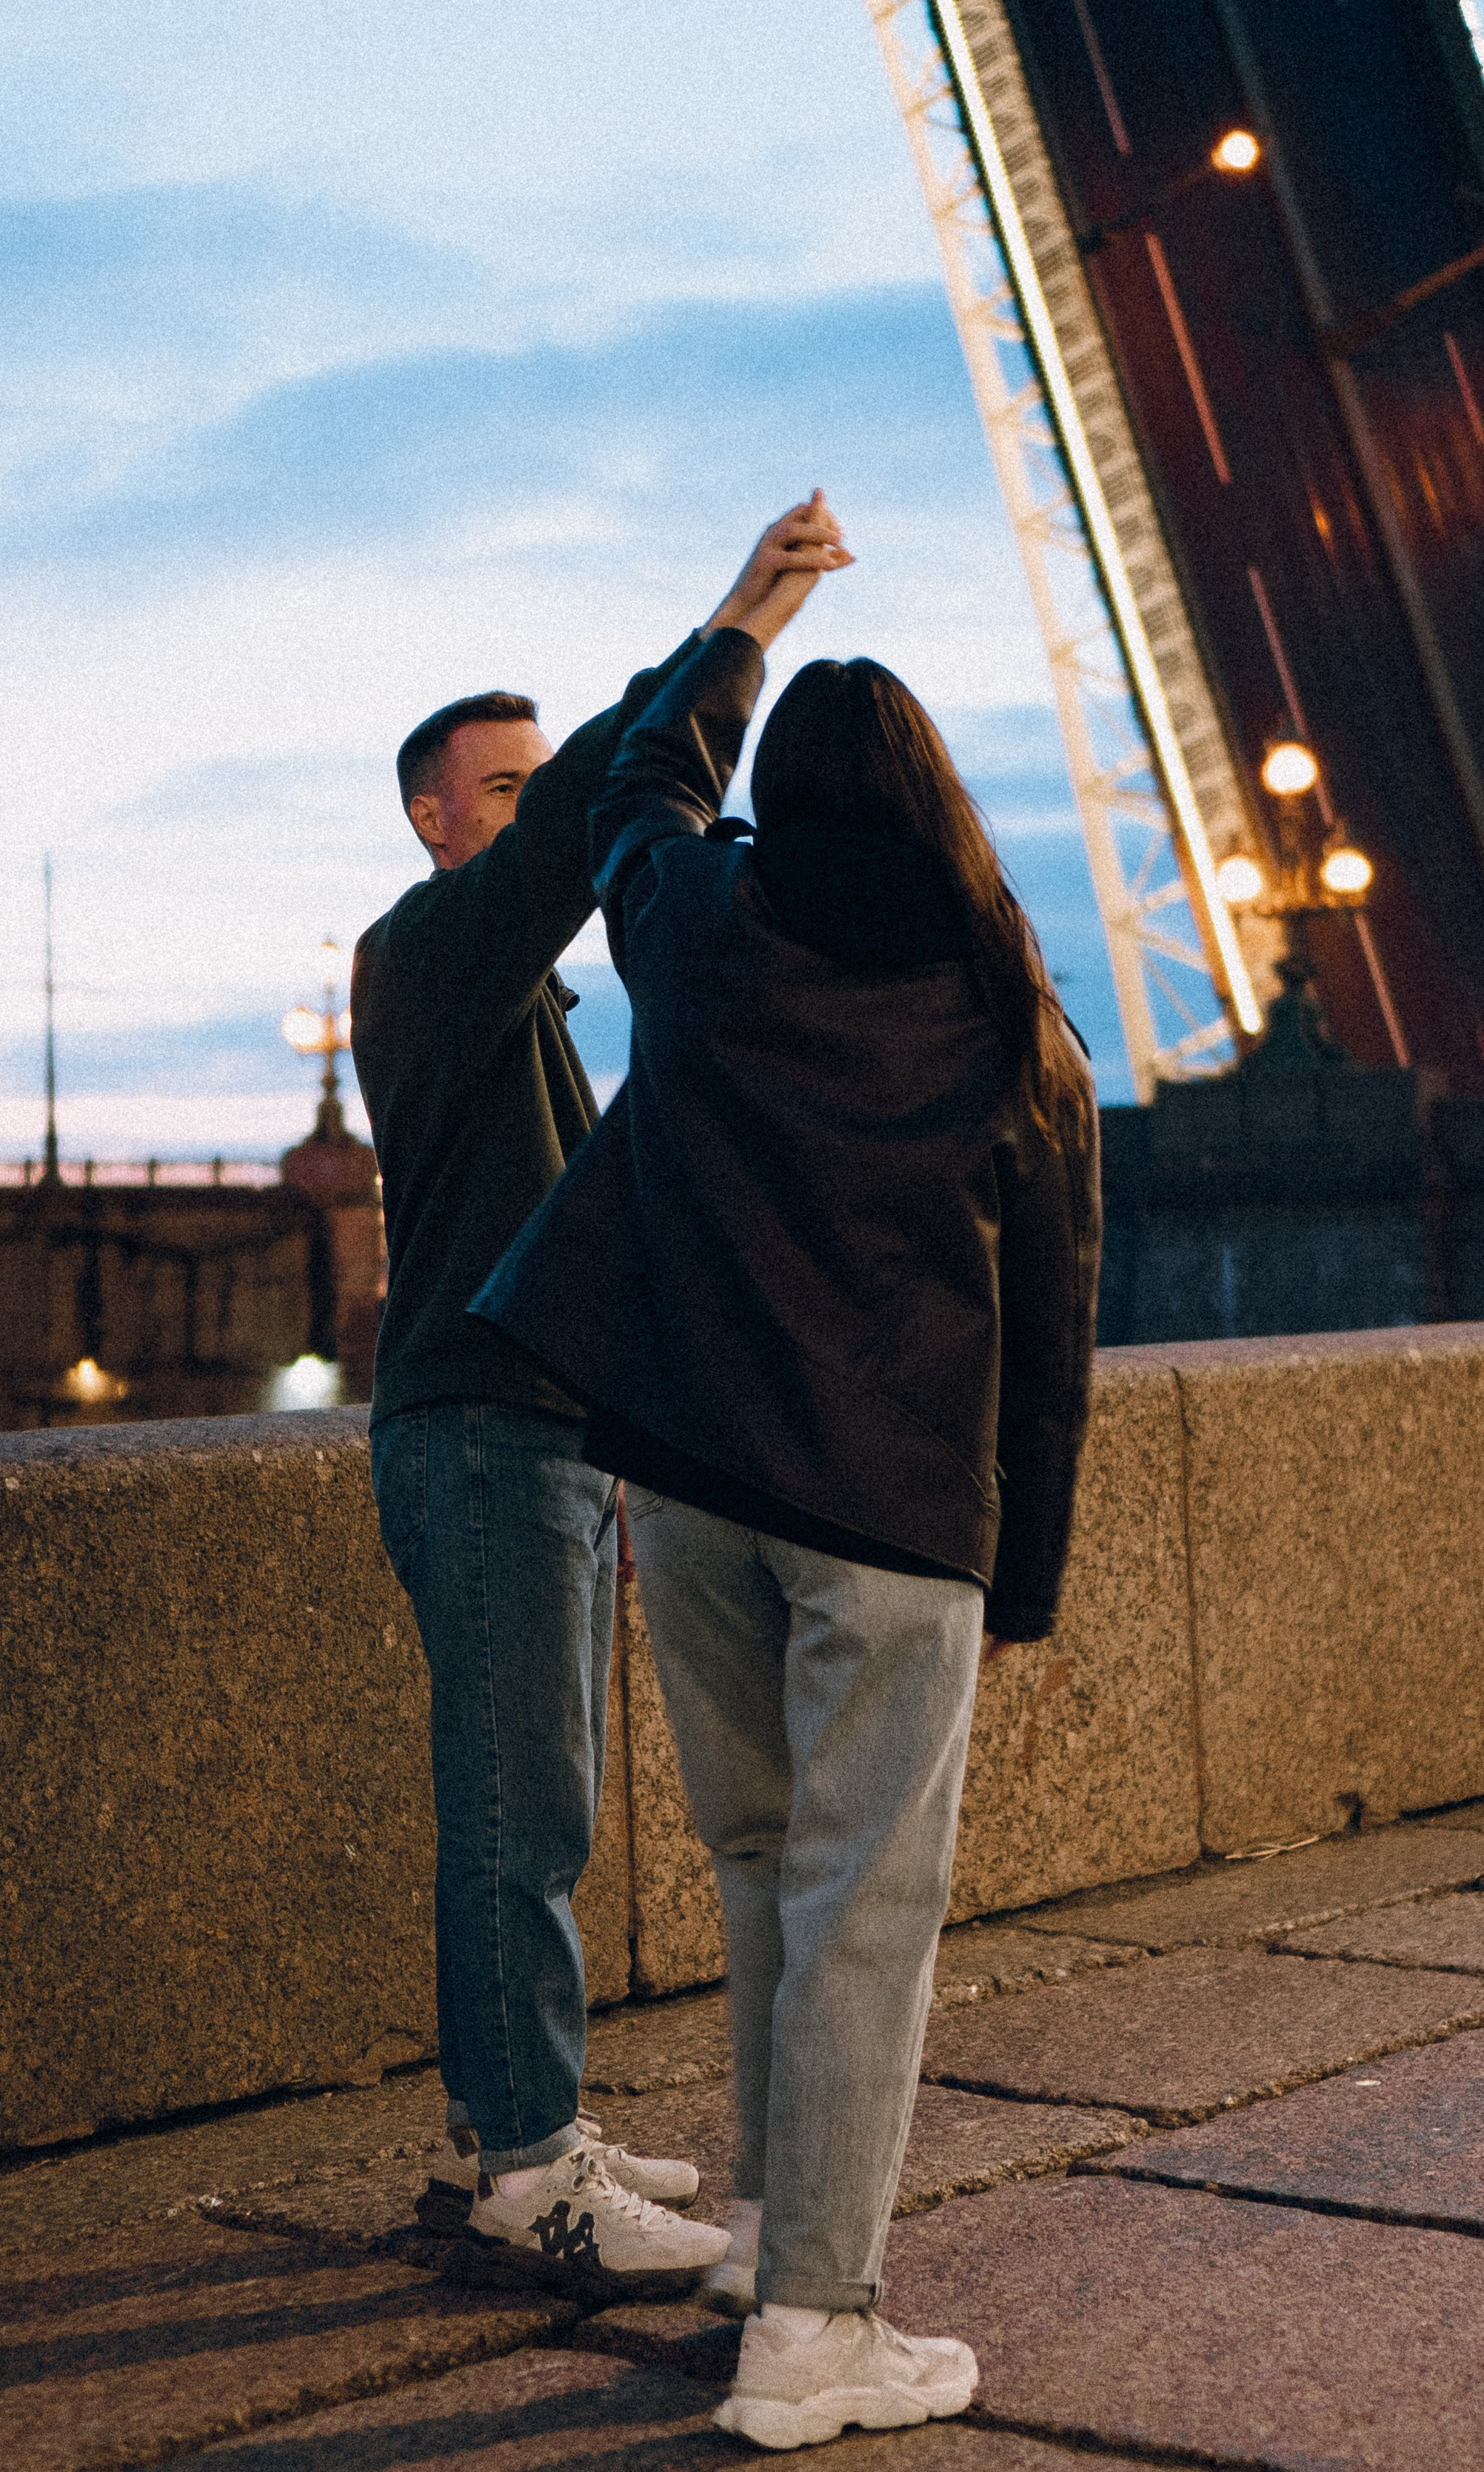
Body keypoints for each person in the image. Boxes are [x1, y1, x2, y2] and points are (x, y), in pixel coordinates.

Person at [472, 553, 1102, 2442]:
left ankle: (762, 2233)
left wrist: (744, 633)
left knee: (761, 1873)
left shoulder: (701, 928)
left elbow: (637, 783)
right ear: (940, 806)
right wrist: (1028, 1574)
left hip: (692, 1488)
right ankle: (815, 2329)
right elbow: (1052, 1323)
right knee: (861, 1912)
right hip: (894, 1516)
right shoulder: (1007, 1013)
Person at [351, 494, 849, 2306]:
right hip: (477, 1434)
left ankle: (530, 2111)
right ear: (437, 818)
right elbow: (584, 825)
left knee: (533, 1798)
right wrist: (733, 627)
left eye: (530, 784)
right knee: (516, 1809)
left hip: (535, 1440)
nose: (534, 805)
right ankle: (525, 2171)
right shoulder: (430, 957)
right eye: (503, 789)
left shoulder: (530, 1014)